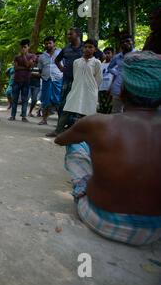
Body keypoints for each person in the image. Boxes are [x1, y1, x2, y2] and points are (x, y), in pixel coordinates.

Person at [54, 51, 161, 246]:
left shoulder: (97, 124)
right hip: (154, 230)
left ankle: (85, 187)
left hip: (102, 219)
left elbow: (60, 140)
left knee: (77, 142)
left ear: (122, 90)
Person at [47, 27, 102, 136]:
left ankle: (78, 131)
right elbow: (57, 60)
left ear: (77, 35)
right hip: (71, 82)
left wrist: (92, 85)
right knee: (65, 105)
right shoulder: (68, 50)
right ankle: (59, 129)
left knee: (85, 108)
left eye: (70, 34)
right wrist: (63, 69)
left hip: (88, 86)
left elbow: (98, 76)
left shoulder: (92, 55)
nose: (68, 36)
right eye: (67, 34)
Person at [57, 39, 102, 132]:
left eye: (90, 47)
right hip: (76, 89)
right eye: (85, 47)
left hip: (90, 91)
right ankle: (58, 130)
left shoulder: (97, 63)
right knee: (68, 109)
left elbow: (98, 79)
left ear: (95, 50)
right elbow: (75, 76)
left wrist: (92, 89)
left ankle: (85, 134)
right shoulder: (76, 62)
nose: (87, 49)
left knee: (87, 112)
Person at [37, 36, 63, 125]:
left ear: (54, 43)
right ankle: (44, 119)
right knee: (45, 101)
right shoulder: (41, 56)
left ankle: (60, 121)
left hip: (58, 79)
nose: (48, 45)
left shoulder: (60, 52)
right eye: (46, 43)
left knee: (58, 100)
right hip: (46, 80)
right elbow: (40, 69)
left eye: (50, 43)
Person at [9, 39, 36, 122]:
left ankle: (24, 116)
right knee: (14, 99)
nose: (23, 49)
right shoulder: (16, 57)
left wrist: (24, 56)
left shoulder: (32, 56)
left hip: (26, 81)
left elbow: (29, 65)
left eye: (25, 47)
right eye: (22, 47)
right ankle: (13, 116)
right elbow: (16, 68)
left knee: (25, 99)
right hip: (16, 80)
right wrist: (27, 68)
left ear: (28, 47)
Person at [108, 35, 135, 113]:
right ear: (120, 45)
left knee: (131, 112)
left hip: (134, 88)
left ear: (132, 42)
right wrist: (118, 73)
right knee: (116, 112)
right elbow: (109, 68)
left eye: (127, 41)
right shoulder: (117, 57)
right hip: (118, 88)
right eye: (122, 42)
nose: (125, 43)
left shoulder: (139, 55)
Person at [97, 47, 114, 114]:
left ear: (112, 54)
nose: (107, 55)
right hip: (101, 88)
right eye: (105, 53)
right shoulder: (101, 65)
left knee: (110, 107)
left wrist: (111, 87)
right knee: (102, 107)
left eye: (108, 53)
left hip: (109, 89)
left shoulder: (114, 64)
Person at [28, 52, 42, 118]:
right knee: (25, 98)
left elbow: (42, 75)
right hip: (28, 84)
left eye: (39, 56)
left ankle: (30, 112)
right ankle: (24, 113)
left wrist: (32, 74)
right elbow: (27, 73)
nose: (38, 57)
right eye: (37, 56)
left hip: (37, 85)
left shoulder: (41, 65)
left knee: (34, 100)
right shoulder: (31, 64)